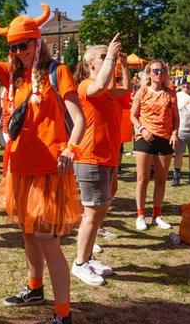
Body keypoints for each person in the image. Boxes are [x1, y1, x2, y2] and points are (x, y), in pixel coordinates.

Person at [0, 0, 85, 324]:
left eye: (24, 44)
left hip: (48, 169)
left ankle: (63, 314)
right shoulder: (10, 73)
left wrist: (71, 149)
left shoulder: (56, 72)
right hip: (19, 168)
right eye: (13, 46)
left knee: (48, 242)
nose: (19, 51)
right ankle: (34, 288)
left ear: (37, 41)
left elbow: (80, 119)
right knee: (28, 234)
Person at [71, 37, 132, 287]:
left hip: (106, 158)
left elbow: (126, 89)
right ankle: (80, 263)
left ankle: (89, 257)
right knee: (92, 213)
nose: (111, 59)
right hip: (90, 157)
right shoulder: (87, 85)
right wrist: (111, 57)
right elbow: (97, 85)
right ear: (90, 65)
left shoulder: (108, 91)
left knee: (98, 212)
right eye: (104, 56)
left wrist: (124, 65)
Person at [130, 59, 179, 231]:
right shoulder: (142, 91)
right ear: (149, 73)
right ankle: (140, 215)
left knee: (161, 180)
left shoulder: (170, 92)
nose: (160, 73)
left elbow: (176, 117)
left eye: (162, 70)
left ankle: (157, 215)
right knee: (142, 179)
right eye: (156, 71)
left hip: (165, 138)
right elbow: (133, 116)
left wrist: (174, 133)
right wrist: (142, 129)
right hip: (145, 137)